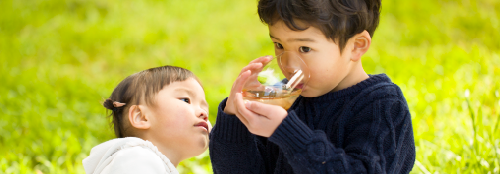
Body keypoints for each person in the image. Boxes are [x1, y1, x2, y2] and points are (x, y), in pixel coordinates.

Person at [209, 0, 416, 173]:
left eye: (305, 48)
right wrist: (234, 118)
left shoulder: (382, 105)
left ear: (356, 45)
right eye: (279, 45)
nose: (288, 65)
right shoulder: (285, 98)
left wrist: (288, 133)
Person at [83, 65, 211, 174]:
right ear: (141, 117)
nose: (203, 113)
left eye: (204, 108)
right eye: (185, 100)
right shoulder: (137, 158)